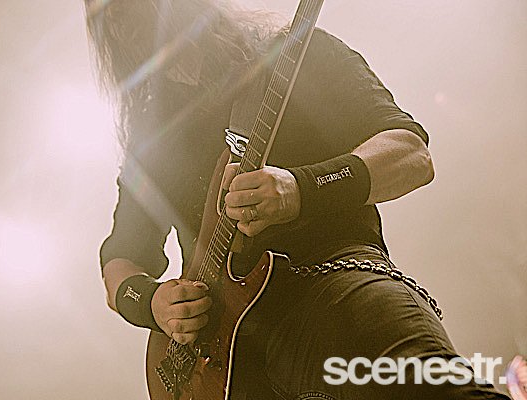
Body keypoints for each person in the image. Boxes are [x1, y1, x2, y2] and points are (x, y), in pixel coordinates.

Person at [85, 1, 511, 398]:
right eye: (105, 15)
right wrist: (154, 304)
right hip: (223, 352)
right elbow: (120, 258)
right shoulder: (149, 139)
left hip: (335, 287)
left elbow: (410, 154)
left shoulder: (296, 54)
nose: (118, 20)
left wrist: (301, 189)